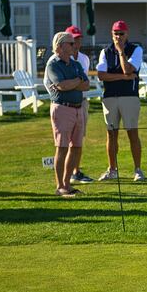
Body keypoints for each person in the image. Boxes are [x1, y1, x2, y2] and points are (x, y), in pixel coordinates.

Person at [44, 25, 95, 184]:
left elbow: (86, 85)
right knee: (62, 147)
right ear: (59, 46)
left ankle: (67, 183)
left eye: (75, 42)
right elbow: (61, 86)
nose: (75, 46)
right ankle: (61, 186)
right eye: (71, 43)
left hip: (78, 108)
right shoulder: (53, 64)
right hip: (62, 108)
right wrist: (77, 81)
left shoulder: (76, 64)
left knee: (77, 147)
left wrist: (73, 82)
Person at [96, 20, 145, 181]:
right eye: (115, 33)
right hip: (110, 97)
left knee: (132, 132)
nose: (118, 37)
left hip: (129, 96)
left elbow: (128, 69)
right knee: (111, 134)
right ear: (112, 34)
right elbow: (101, 75)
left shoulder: (135, 49)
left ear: (127, 34)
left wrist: (121, 52)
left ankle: (138, 170)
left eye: (121, 33)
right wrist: (123, 77)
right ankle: (112, 170)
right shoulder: (105, 51)